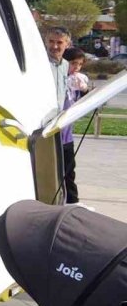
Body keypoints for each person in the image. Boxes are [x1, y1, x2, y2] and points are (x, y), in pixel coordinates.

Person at [62, 47, 90, 206]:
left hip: (68, 133)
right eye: (73, 63)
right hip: (55, 131)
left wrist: (85, 90)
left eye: (80, 64)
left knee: (69, 169)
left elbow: (85, 103)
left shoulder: (79, 79)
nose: (76, 68)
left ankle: (73, 201)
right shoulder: (59, 77)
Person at [44, 27, 71, 108]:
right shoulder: (39, 62)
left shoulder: (65, 65)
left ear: (67, 45)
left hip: (58, 117)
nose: (55, 46)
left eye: (59, 42)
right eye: (51, 41)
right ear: (46, 42)